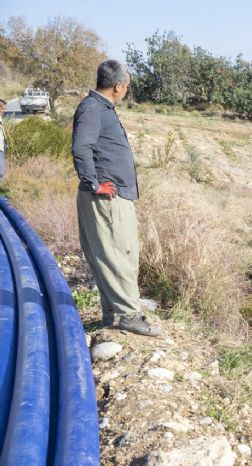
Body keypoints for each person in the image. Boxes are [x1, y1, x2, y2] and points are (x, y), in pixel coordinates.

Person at [71, 59, 160, 336]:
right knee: (117, 254)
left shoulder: (99, 107)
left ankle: (113, 315)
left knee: (116, 252)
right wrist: (94, 184)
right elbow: (81, 148)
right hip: (107, 198)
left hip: (114, 195)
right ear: (118, 86)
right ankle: (130, 316)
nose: (126, 92)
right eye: (127, 87)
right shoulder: (93, 108)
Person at [0, 98, 7, 180]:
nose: (4, 110)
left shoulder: (0, 118)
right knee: (1, 172)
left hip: (1, 146)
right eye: (3, 108)